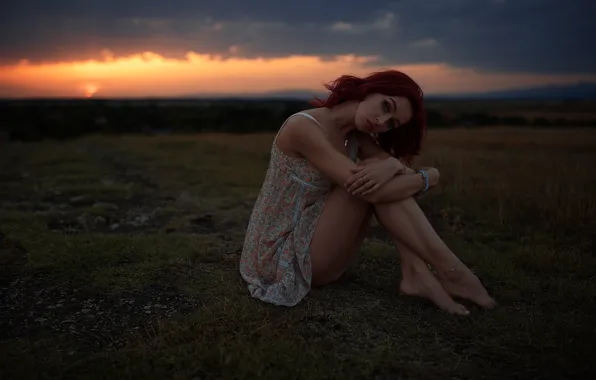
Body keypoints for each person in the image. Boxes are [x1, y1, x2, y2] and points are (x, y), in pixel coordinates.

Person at [239, 70, 496, 315]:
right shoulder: (302, 127)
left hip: (323, 251)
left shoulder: (358, 138)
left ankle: (418, 272)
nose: (381, 123)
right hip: (279, 257)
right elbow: (371, 189)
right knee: (368, 183)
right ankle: (451, 271)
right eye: (386, 106)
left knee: (378, 179)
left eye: (391, 123)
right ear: (370, 89)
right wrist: (426, 176)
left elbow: (399, 178)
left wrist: (397, 167)